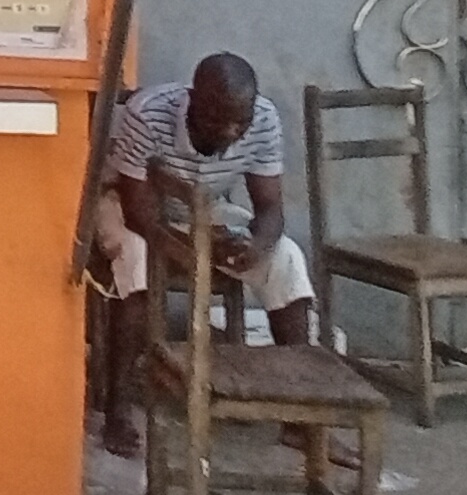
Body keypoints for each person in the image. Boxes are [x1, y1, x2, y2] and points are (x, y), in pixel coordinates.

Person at [94, 51, 320, 459]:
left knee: (286, 259)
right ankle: (118, 408)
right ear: (194, 100)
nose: (232, 131)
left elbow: (270, 208)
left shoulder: (263, 119)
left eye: (240, 121)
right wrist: (188, 249)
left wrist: (254, 245)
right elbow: (138, 210)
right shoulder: (148, 114)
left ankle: (300, 419)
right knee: (136, 261)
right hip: (132, 204)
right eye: (218, 119)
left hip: (203, 206)